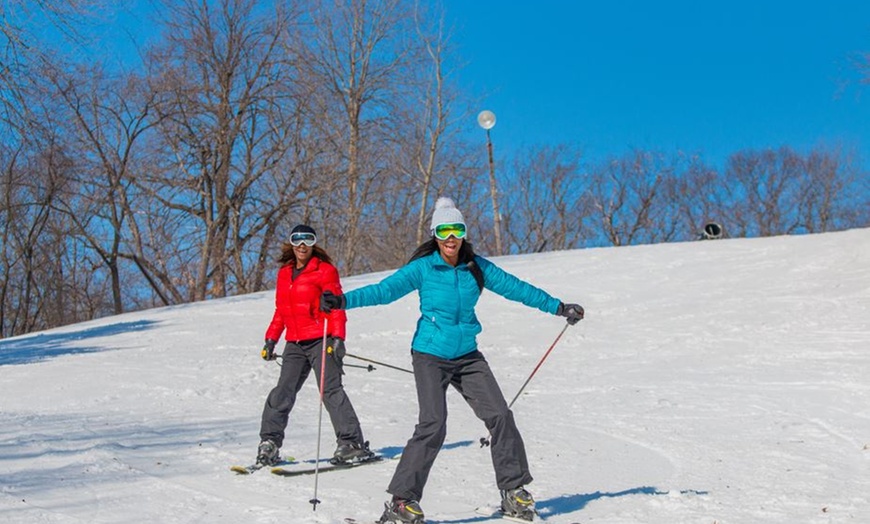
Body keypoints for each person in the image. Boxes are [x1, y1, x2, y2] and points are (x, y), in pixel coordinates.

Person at [320, 198, 584, 523]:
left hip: (467, 356)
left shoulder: (477, 267)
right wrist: (343, 301)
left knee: (501, 416)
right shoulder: (424, 267)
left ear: (463, 233)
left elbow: (517, 289)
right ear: (435, 233)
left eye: (457, 229)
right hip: (429, 354)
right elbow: (383, 291)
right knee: (433, 424)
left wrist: (558, 307)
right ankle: (402, 501)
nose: (451, 237)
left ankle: (514, 492)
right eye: (444, 230)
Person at [255, 224, 372, 468]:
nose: (302, 245)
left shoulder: (325, 270)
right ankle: (269, 443)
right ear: (291, 243)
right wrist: (271, 339)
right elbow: (281, 311)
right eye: (297, 240)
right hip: (295, 343)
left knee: (330, 391)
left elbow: (336, 305)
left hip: (321, 338)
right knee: (282, 392)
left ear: (313, 244)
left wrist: (338, 338)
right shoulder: (284, 273)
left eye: (307, 240)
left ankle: (351, 444)